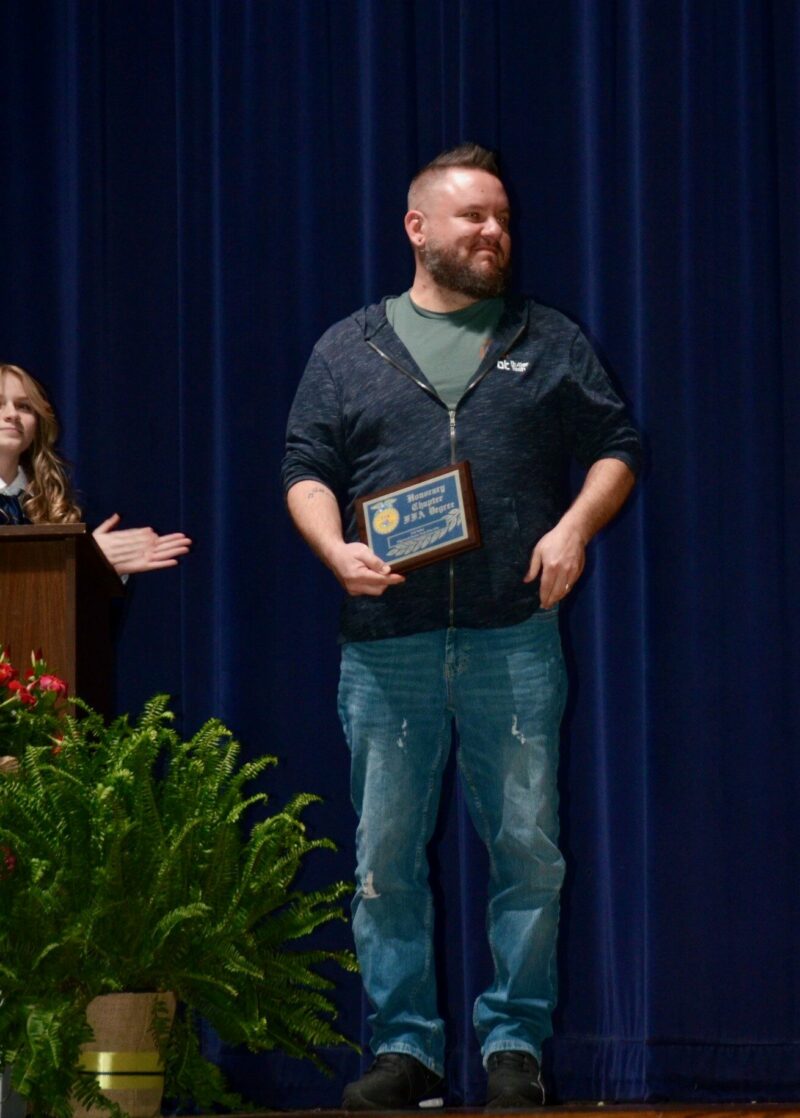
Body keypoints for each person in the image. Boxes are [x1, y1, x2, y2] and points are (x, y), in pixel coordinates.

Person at [282, 143, 642, 1110]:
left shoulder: (546, 336)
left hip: (514, 640)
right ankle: (407, 1053)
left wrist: (573, 527)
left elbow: (617, 445)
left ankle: (513, 1048)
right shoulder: (348, 348)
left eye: (503, 219)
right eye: (473, 216)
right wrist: (332, 549)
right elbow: (304, 467)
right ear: (417, 228)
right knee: (383, 860)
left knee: (528, 851)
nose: (493, 232)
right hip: (386, 648)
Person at [0, 363, 191, 574]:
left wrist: (98, 571)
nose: (12, 414)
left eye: (24, 406)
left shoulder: (51, 504)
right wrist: (78, 556)